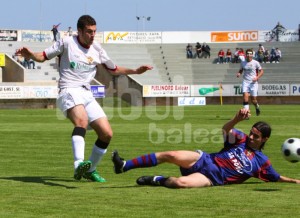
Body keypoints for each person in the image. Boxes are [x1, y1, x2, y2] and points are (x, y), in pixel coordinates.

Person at [16, 15, 153, 183]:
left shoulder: (97, 48)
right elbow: (43, 56)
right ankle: (78, 164)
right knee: (81, 121)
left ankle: (90, 170)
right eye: (89, 32)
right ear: (79, 31)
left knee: (106, 134)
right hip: (68, 90)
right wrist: (30, 54)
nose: (92, 35)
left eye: (94, 31)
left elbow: (114, 69)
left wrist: (135, 71)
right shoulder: (66, 42)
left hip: (87, 94)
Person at [112, 108, 300, 188]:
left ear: (264, 139)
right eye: (251, 132)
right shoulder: (240, 139)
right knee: (171, 154)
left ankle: (156, 180)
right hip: (205, 159)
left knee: (180, 183)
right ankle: (124, 165)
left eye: (256, 136)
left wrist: (295, 181)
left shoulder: (262, 162)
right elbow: (225, 129)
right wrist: (237, 119)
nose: (251, 136)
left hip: (211, 177)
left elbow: (276, 178)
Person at [236, 49, 263, 116]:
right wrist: (239, 73)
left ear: (252, 55)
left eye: (250, 54)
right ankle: (246, 113)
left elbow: (262, 71)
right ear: (246, 55)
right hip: (245, 82)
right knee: (245, 97)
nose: (249, 55)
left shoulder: (256, 63)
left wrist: (257, 77)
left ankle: (257, 106)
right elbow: (241, 70)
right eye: (247, 54)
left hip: (253, 83)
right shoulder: (243, 62)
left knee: (253, 100)